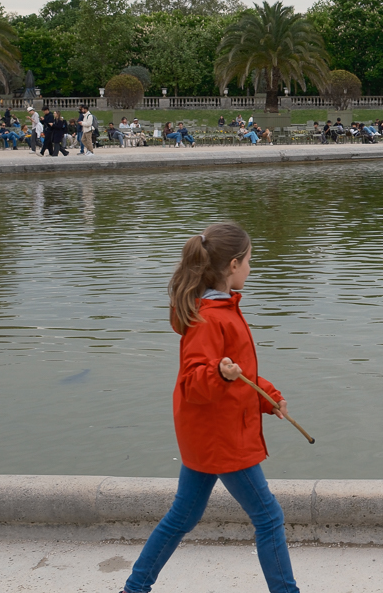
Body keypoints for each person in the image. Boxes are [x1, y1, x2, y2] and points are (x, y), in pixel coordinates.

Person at [120, 222, 299, 593]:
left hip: (206, 435)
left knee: (181, 517)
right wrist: (219, 371)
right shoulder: (209, 318)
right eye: (249, 261)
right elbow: (194, 384)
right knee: (268, 517)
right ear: (233, 265)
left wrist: (267, 396)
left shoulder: (218, 310)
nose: (251, 269)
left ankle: (134, 588)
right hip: (223, 440)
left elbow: (237, 374)